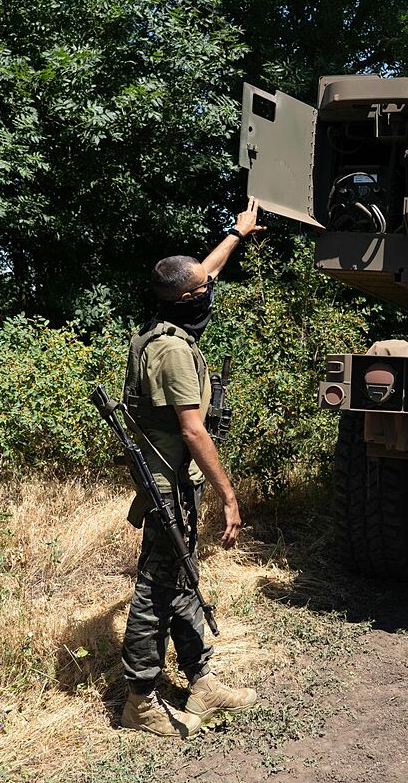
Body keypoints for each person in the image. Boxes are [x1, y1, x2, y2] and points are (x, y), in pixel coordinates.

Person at [119, 197, 266, 737]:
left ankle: (201, 681)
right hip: (169, 482)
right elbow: (192, 430)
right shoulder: (174, 352)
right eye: (201, 290)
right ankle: (138, 699)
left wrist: (238, 232)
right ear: (184, 299)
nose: (210, 291)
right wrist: (230, 495)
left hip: (175, 480)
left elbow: (206, 271)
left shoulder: (164, 326)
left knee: (183, 575)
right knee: (156, 587)